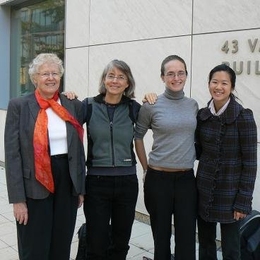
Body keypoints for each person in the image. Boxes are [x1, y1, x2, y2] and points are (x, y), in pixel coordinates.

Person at [4, 53, 86, 260]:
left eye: (55, 73)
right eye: (45, 73)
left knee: (61, 242)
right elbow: (13, 155)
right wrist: (18, 200)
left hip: (66, 181)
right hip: (34, 183)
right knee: (34, 245)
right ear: (35, 78)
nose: (51, 78)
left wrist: (80, 187)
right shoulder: (19, 106)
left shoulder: (71, 104)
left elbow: (77, 150)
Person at [135, 55, 198, 260]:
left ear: (186, 76)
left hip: (186, 181)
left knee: (186, 238)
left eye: (180, 73)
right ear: (162, 77)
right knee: (161, 238)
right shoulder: (151, 105)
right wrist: (145, 168)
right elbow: (138, 137)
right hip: (158, 179)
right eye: (170, 73)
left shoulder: (193, 105)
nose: (176, 77)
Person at [195, 64, 257, 260]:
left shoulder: (243, 117)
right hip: (203, 191)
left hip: (231, 196)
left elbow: (250, 164)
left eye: (224, 83)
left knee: (231, 249)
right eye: (215, 82)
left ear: (232, 86)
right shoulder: (202, 116)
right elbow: (197, 152)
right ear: (208, 84)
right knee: (205, 244)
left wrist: (243, 201)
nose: (218, 87)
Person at [82, 59, 141, 260]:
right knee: (96, 243)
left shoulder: (134, 108)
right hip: (96, 183)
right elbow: (64, 118)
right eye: (111, 76)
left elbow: (158, 119)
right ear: (104, 80)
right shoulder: (88, 105)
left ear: (128, 83)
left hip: (127, 183)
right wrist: (67, 97)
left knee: (120, 242)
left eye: (121, 77)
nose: (115, 81)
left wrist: (153, 99)